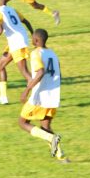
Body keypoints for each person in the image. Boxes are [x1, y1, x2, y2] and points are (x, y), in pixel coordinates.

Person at [18, 29, 67, 162]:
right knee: (45, 127)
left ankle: (51, 138)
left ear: (36, 40)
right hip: (53, 97)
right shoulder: (53, 54)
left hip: (40, 96)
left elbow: (40, 72)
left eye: (32, 38)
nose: (31, 41)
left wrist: (27, 90)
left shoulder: (36, 53)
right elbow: (60, 74)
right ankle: (61, 156)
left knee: (22, 122)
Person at [0, 0, 34, 105]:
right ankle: (3, 98)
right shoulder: (10, 9)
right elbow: (26, 22)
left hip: (17, 43)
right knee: (0, 65)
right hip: (16, 41)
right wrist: (33, 34)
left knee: (25, 72)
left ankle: (40, 94)